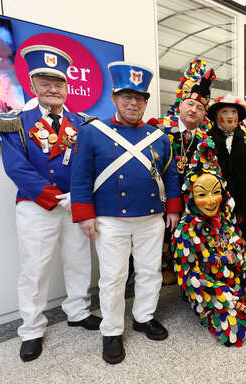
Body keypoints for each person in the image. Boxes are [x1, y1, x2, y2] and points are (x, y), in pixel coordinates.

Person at [0, 45, 100, 362]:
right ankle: (31, 329)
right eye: (45, 82)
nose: (53, 89)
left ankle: (78, 311)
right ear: (32, 84)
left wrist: (80, 197)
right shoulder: (15, 122)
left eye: (58, 83)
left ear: (67, 86)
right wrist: (55, 197)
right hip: (36, 205)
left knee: (79, 261)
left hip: (76, 205)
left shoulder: (82, 123)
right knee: (35, 269)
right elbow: (16, 167)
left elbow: (91, 164)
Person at [70, 62, 181, 364]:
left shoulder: (158, 136)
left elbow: (170, 175)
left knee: (149, 271)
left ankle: (143, 317)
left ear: (146, 101)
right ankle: (112, 331)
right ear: (115, 98)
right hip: (110, 219)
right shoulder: (93, 132)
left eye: (140, 98)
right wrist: (84, 214)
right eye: (126, 97)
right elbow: (80, 177)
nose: (133, 103)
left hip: (150, 218)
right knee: (113, 277)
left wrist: (172, 208)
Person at [172, 139, 246, 347]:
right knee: (236, 334)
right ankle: (224, 309)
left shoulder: (226, 218)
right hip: (210, 290)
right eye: (202, 194)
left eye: (216, 192)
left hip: (235, 275)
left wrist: (239, 256)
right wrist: (217, 292)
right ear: (192, 196)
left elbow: (241, 246)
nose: (211, 201)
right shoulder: (185, 230)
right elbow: (189, 276)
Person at [151, 59, 215, 286]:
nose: (194, 110)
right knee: (162, 236)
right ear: (180, 103)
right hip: (162, 196)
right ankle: (162, 268)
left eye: (200, 108)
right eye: (190, 104)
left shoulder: (207, 136)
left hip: (193, 197)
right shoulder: (159, 127)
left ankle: (186, 270)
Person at [207, 94, 246, 249]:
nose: (230, 116)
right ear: (216, 115)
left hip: (245, 209)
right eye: (225, 112)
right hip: (215, 207)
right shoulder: (207, 140)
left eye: (234, 112)